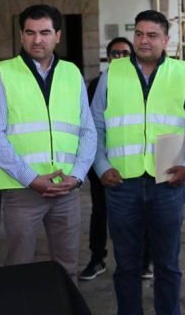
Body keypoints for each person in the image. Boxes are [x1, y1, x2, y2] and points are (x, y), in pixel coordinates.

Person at [91, 10, 185, 314]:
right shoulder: (112, 73)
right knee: (126, 264)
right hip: (121, 184)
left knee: (168, 264)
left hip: (167, 182)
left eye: (152, 35)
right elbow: (94, 126)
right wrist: (102, 166)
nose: (144, 40)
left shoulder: (181, 74)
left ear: (166, 40)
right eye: (139, 34)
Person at [0, 4, 97, 282]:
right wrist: (31, 178)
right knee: (19, 269)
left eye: (45, 32)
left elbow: (88, 130)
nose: (38, 40)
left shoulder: (72, 73)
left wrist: (77, 176)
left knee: (67, 267)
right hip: (23, 190)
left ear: (57, 35)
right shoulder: (2, 75)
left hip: (66, 189)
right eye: (30, 32)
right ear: (21, 35)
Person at [79, 37, 137, 282]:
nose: (120, 57)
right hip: (101, 162)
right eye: (115, 53)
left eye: (125, 53)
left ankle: (143, 261)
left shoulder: (140, 84)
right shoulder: (96, 85)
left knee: (138, 214)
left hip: (132, 162)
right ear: (108, 56)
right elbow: (90, 124)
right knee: (100, 212)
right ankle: (97, 258)